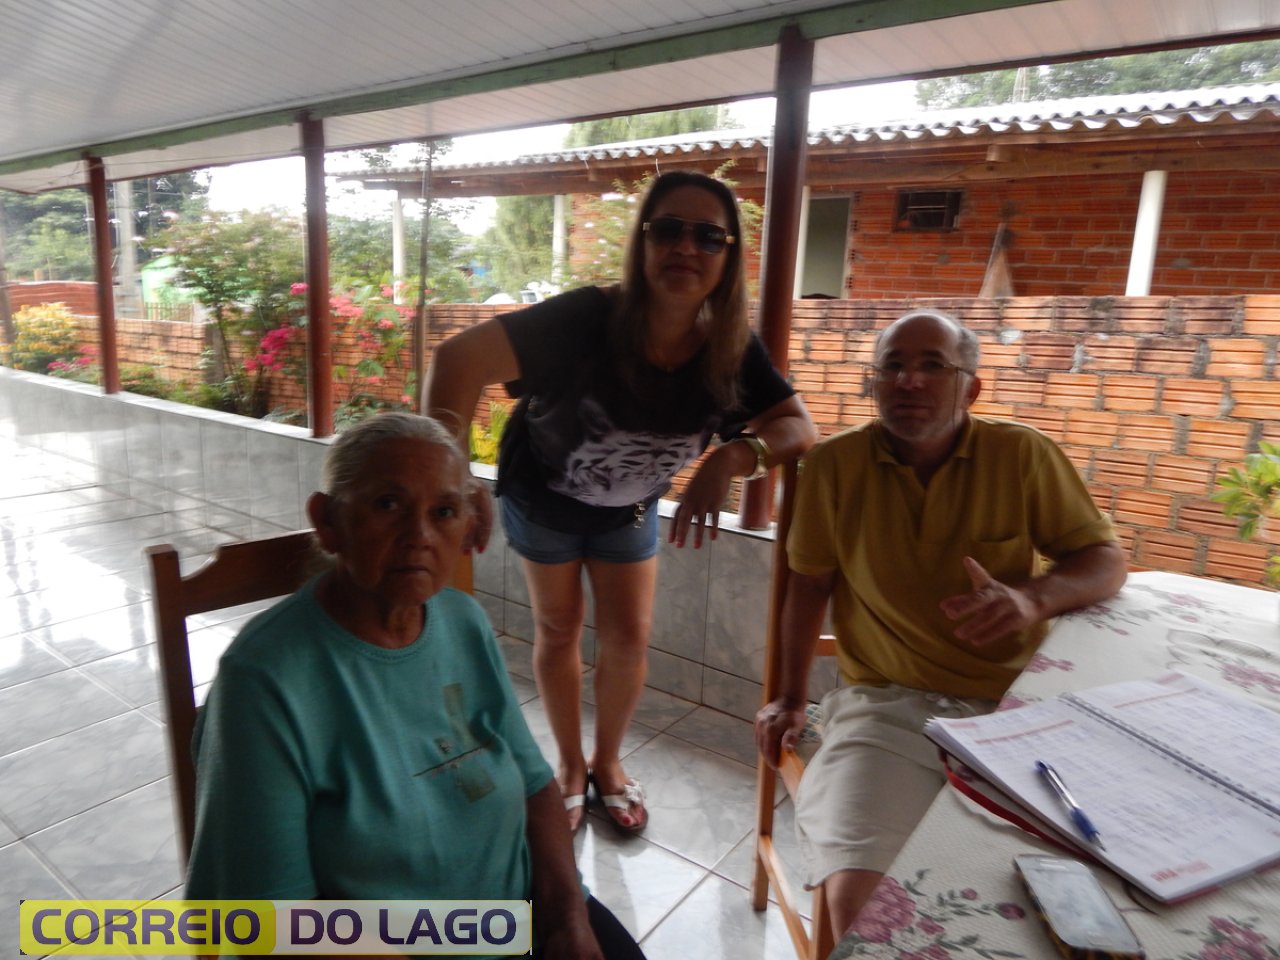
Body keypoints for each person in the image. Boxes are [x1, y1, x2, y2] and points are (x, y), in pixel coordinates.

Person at [425, 171, 817, 834]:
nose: (686, 248)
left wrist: (733, 456)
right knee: (558, 628)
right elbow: (456, 361)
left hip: (630, 507)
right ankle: (570, 766)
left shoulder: (729, 347)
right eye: (668, 229)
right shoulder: (586, 319)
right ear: (643, 241)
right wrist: (452, 482)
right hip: (543, 497)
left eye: (709, 237)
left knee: (630, 635)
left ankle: (608, 764)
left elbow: (797, 427)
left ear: (729, 258)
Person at [185, 412, 645, 960]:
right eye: (387, 505)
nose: (419, 537)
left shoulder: (460, 620)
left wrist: (567, 920)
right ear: (328, 522)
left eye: (444, 512)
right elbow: (272, 918)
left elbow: (532, 784)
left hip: (524, 910)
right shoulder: (264, 681)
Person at [754, 308, 1127, 940]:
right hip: (883, 707)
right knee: (865, 914)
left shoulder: (1021, 453)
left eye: (933, 366)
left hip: (1017, 708)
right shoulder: (834, 467)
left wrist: (1033, 599)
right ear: (874, 384)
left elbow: (1103, 560)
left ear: (971, 387)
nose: (909, 381)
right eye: (892, 366)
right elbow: (808, 585)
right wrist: (789, 697)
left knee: (1074, 899)